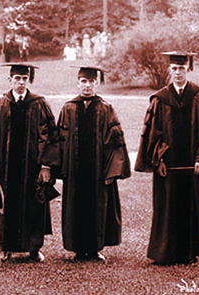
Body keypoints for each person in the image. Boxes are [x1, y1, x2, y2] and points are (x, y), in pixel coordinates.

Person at [134, 51, 199, 265]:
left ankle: (189, 253)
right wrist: (157, 160)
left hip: (193, 166)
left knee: (192, 205)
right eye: (174, 69)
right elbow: (153, 132)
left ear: (187, 70)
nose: (178, 72)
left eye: (181, 68)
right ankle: (165, 253)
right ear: (169, 71)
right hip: (167, 166)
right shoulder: (160, 99)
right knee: (166, 206)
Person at [0, 63, 60, 262]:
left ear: (29, 80)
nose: (21, 82)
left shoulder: (39, 104)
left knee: (35, 205)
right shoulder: (0, 104)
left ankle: (34, 249)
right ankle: (6, 248)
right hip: (7, 167)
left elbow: (50, 135)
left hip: (33, 167)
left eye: (24, 78)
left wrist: (46, 165)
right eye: (17, 78)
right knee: (7, 205)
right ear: (10, 80)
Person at [57, 66, 131, 261]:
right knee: (76, 208)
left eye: (91, 82)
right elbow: (60, 141)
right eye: (83, 81)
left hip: (98, 170)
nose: (87, 86)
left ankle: (96, 249)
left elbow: (115, 141)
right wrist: (61, 169)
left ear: (96, 84)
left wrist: (111, 172)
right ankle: (78, 249)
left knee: (97, 208)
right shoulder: (68, 108)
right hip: (75, 170)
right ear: (78, 83)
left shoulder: (106, 109)